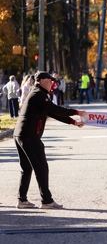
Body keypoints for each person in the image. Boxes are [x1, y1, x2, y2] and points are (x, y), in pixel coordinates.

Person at [13, 71, 87, 209]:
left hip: (20, 135)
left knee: (27, 168)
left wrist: (73, 122)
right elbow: (56, 109)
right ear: (41, 81)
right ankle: (47, 201)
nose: (52, 83)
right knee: (41, 167)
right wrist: (77, 112)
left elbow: (53, 113)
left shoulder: (38, 94)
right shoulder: (38, 94)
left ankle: (22, 200)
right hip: (29, 136)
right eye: (50, 80)